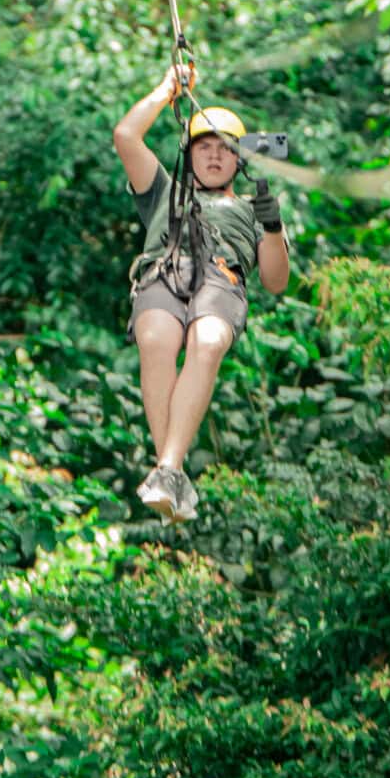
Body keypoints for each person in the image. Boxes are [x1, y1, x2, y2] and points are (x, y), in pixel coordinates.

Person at [113, 64, 290, 523]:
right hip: (164, 272)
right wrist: (167, 90)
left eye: (225, 150)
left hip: (219, 279)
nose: (214, 157)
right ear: (189, 154)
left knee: (207, 340)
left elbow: (276, 281)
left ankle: (168, 470)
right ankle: (169, 471)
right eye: (204, 147)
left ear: (239, 161)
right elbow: (126, 136)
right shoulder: (163, 190)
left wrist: (271, 227)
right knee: (155, 340)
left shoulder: (254, 209)